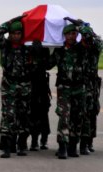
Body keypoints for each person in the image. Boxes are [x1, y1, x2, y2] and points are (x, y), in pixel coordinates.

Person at [47, 23, 87, 159]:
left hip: (78, 88)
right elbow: (48, 64)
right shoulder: (60, 51)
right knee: (64, 117)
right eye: (69, 33)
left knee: (77, 117)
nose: (71, 36)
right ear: (64, 35)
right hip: (64, 88)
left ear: (77, 34)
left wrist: (81, 26)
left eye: (74, 33)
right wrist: (43, 51)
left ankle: (73, 146)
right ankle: (62, 146)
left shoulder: (82, 48)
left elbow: (90, 37)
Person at [0, 15, 32, 158]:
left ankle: (22, 145)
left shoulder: (27, 48)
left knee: (23, 115)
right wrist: (13, 20)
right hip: (9, 84)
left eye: (18, 33)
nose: (16, 36)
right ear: (9, 34)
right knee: (8, 115)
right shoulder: (5, 46)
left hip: (24, 85)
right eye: (13, 33)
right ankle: (7, 146)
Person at [73, 20, 102, 155]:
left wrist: (81, 26)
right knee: (80, 114)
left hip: (91, 85)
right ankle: (77, 142)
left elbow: (90, 37)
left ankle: (87, 142)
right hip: (79, 83)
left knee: (91, 113)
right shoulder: (80, 47)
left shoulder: (95, 45)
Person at [28, 42, 51, 151]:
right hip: (30, 87)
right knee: (32, 114)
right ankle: (34, 140)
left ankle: (44, 139)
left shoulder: (44, 50)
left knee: (43, 114)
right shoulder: (27, 50)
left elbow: (49, 65)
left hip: (42, 86)